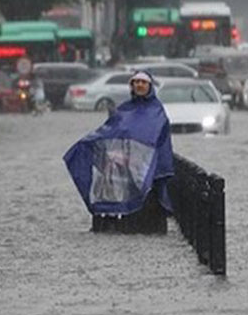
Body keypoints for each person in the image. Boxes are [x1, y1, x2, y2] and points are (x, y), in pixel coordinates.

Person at [64, 70, 174, 233]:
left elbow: (156, 138)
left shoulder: (157, 111)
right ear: (131, 86)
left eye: (143, 82)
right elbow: (110, 131)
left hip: (146, 169)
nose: (139, 85)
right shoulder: (123, 110)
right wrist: (90, 143)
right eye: (136, 82)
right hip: (122, 169)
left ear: (150, 86)